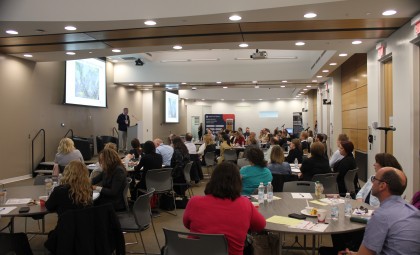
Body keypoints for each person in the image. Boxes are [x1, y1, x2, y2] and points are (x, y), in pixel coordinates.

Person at [183, 162, 266, 255]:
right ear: (238, 182)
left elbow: (187, 224)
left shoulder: (194, 202)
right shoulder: (245, 203)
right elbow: (260, 226)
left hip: (195, 251)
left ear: (212, 180)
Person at [339, 167, 420, 255]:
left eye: (374, 179)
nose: (372, 182)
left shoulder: (380, 216)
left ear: (382, 186)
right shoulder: (414, 211)